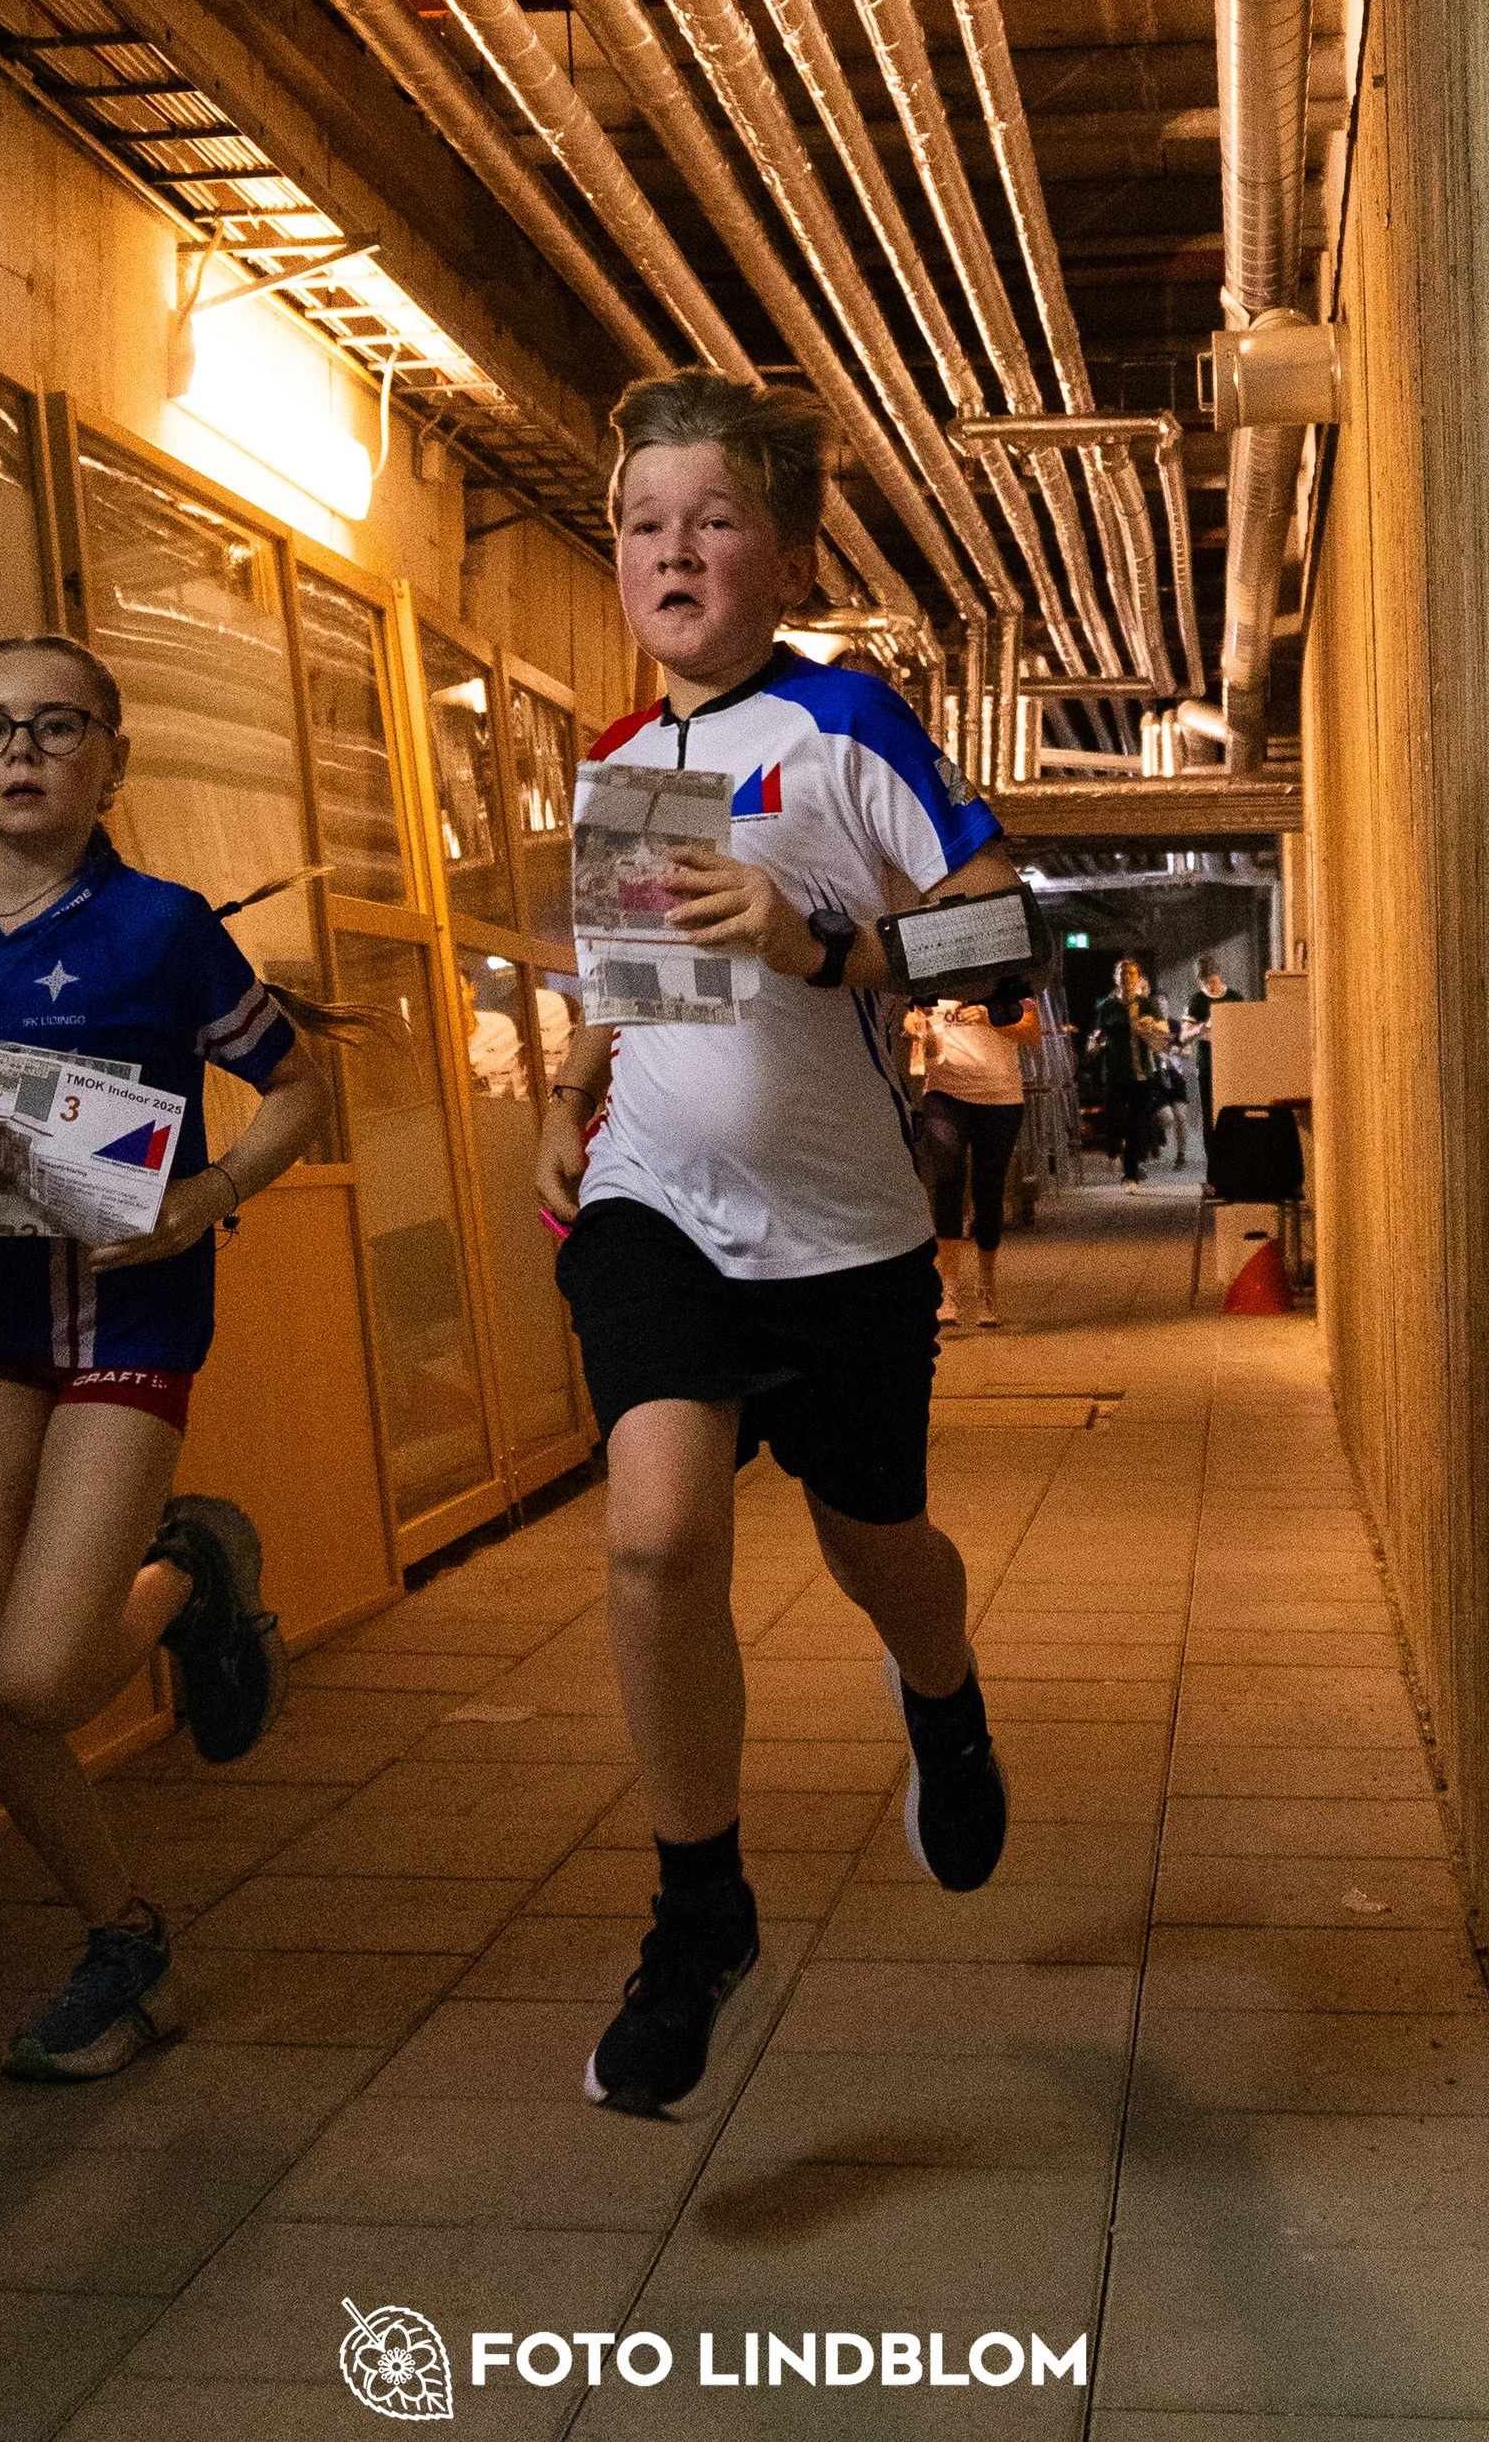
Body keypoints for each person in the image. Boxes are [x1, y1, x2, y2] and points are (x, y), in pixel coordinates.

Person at [540, 371, 1020, 2118]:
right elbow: (641, 991)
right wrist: (571, 1087)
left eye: (713, 518)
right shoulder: (617, 763)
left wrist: (827, 945)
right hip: (656, 1201)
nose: (673, 550)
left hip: (845, 1240)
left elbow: (1000, 934)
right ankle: (699, 1912)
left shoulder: (843, 726)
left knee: (874, 1541)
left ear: (787, 552)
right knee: (659, 1538)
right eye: (642, 523)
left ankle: (943, 1695)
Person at [0, 633, 341, 2083]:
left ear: (114, 755)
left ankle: (187, 1573)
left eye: (56, 725)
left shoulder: (162, 927)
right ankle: (123, 1940)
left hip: (134, 1313)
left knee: (42, 1676)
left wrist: (209, 1195)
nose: (23, 751)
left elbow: (298, 1085)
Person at [905, 994, 1038, 1327]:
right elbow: (910, 1015)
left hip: (1000, 1097)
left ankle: (986, 1287)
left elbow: (1032, 1034)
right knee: (947, 1178)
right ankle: (948, 1289)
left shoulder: (1005, 982)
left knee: (988, 1189)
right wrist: (914, 1025)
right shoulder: (933, 980)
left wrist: (991, 1018)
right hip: (944, 1093)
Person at [1092, 958, 1170, 1187]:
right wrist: (1095, 1044)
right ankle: (1115, 1146)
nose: (1127, 979)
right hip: (1116, 1072)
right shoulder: (1108, 1006)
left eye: (1131, 975)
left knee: (1138, 1123)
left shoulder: (1147, 1004)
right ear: (1116, 979)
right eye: (1122, 974)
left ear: (1138, 979)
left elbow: (1164, 1035)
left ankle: (1131, 1173)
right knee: (1115, 1122)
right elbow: (1098, 1034)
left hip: (1143, 1073)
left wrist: (1151, 1028)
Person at [1186, 954, 1241, 1123]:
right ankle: (1212, 1147)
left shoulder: (1234, 997)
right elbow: (1184, 1034)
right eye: (1204, 982)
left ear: (1219, 975)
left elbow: (1244, 1027)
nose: (1209, 985)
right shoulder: (1198, 1000)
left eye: (1212, 980)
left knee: (1233, 1110)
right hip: (1207, 1061)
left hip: (1231, 1059)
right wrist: (1200, 1028)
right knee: (1210, 1113)